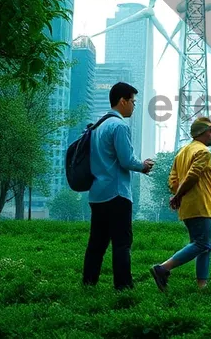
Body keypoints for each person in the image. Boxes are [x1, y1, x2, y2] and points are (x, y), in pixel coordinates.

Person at [82, 82, 155, 290]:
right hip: (117, 194)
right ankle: (123, 287)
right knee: (122, 243)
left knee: (96, 243)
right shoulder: (120, 126)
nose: (134, 105)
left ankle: (88, 284)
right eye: (133, 101)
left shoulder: (97, 126)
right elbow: (126, 160)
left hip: (97, 194)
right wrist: (144, 166)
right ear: (122, 101)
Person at [151, 116, 211, 291]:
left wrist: (177, 195)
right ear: (201, 133)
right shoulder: (203, 152)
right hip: (200, 204)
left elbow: (172, 180)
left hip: (188, 207)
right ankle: (163, 268)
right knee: (202, 244)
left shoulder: (182, 152)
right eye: (210, 131)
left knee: (205, 246)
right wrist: (178, 196)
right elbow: (192, 175)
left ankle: (202, 285)